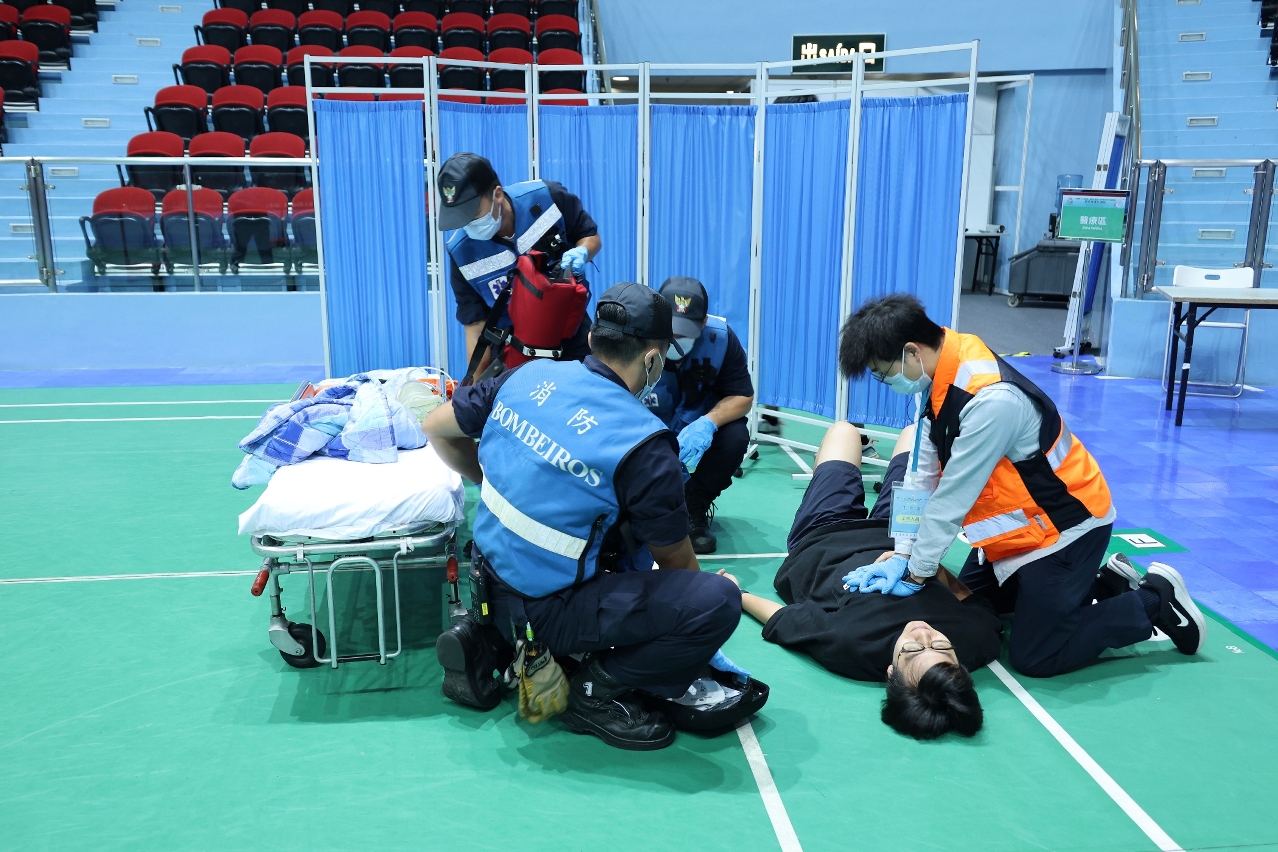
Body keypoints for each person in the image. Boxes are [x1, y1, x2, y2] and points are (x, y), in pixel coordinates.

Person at [423, 282, 744, 751]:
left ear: (592, 338)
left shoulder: (527, 376)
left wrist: (489, 476)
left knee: (609, 528)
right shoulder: (643, 442)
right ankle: (592, 691)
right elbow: (676, 560)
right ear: (653, 360)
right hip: (549, 608)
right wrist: (697, 628)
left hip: (486, 579)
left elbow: (435, 427)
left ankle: (496, 636)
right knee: (716, 600)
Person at [837, 294, 1206, 678]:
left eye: (883, 373)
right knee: (972, 608)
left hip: (1065, 531)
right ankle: (1104, 585)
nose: (886, 382)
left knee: (1036, 655)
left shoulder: (991, 400)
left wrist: (916, 572)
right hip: (1017, 534)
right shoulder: (939, 378)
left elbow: (950, 500)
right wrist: (902, 552)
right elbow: (920, 476)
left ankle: (1155, 600)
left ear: (912, 351)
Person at [722, 421, 1004, 739]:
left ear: (891, 672)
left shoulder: (851, 645)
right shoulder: (976, 640)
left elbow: (784, 620)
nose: (923, 632)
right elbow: (972, 601)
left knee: (844, 431)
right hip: (902, 537)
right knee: (916, 433)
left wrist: (737, 592)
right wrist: (927, 567)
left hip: (824, 541)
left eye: (913, 649)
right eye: (941, 645)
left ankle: (836, 468)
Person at [437, 152, 602, 377]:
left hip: (572, 333)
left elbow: (590, 235)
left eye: (472, 213)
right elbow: (475, 327)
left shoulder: (547, 197)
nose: (468, 224)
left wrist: (583, 251)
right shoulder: (461, 253)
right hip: (515, 353)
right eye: (460, 218)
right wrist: (475, 388)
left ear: (497, 194)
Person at [645, 277, 754, 554]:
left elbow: (742, 396)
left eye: (685, 332)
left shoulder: (722, 340)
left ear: (704, 322)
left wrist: (708, 422)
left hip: (694, 423)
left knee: (735, 436)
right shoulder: (637, 337)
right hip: (647, 424)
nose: (677, 339)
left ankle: (693, 505)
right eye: (671, 330)